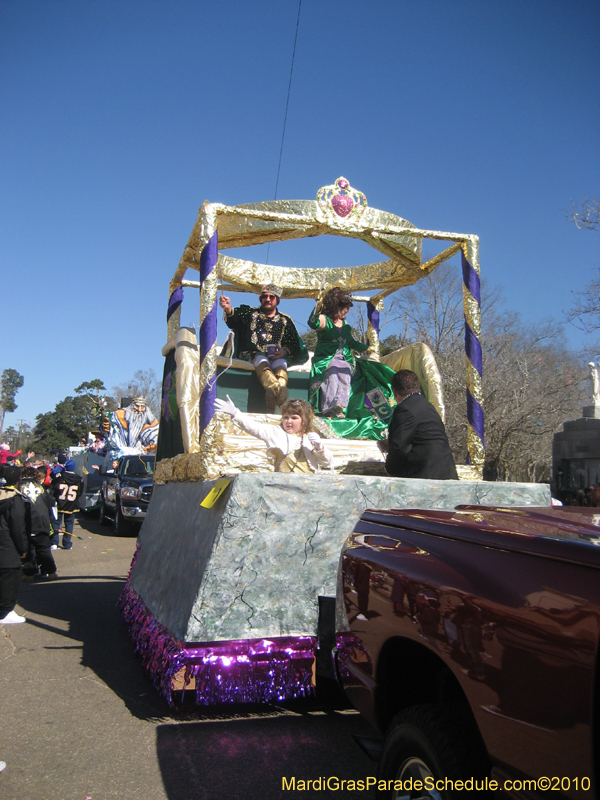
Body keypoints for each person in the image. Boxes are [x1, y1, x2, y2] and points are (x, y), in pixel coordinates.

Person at [307, 287, 396, 425]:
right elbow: (313, 323)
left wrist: (368, 348)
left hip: (346, 360)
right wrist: (317, 307)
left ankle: (342, 406)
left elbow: (351, 342)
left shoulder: (345, 323)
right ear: (337, 305)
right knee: (334, 369)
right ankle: (329, 407)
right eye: (346, 307)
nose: (348, 311)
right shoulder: (324, 319)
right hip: (326, 360)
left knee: (353, 371)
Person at [219, 284, 309, 413]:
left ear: (277, 300)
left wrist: (284, 351)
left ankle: (273, 400)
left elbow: (294, 344)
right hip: (253, 355)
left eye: (272, 297)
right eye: (265, 296)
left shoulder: (285, 321)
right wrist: (228, 308)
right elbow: (235, 320)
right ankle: (278, 389)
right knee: (261, 360)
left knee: (282, 363)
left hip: (277, 358)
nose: (268, 299)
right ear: (261, 299)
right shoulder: (249, 313)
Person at [215, 395, 333, 473]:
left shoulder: (310, 438)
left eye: (294, 418)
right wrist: (236, 413)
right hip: (283, 485)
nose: (289, 421)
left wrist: (320, 447)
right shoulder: (275, 432)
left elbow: (327, 463)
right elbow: (253, 427)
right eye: (286, 417)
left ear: (304, 420)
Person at [381, 369, 458, 480]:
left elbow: (399, 447)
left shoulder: (405, 409)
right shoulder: (428, 407)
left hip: (426, 475)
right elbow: (422, 438)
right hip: (446, 471)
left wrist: (390, 470)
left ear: (395, 392)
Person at [0, 465, 28, 624]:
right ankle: (5, 611)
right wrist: (23, 548)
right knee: (9, 579)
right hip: (7, 545)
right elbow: (18, 527)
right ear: (19, 479)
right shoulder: (15, 499)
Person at [19, 466, 58, 581]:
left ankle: (29, 574)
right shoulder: (40, 487)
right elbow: (51, 502)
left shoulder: (19, 488)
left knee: (29, 551)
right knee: (44, 550)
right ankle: (51, 572)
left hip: (28, 523)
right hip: (42, 522)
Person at [51, 460, 84, 550]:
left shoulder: (60, 477)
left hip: (60, 503)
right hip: (72, 504)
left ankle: (54, 542)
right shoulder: (79, 479)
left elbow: (54, 487)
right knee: (69, 523)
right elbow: (80, 492)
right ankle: (67, 543)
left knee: (56, 522)